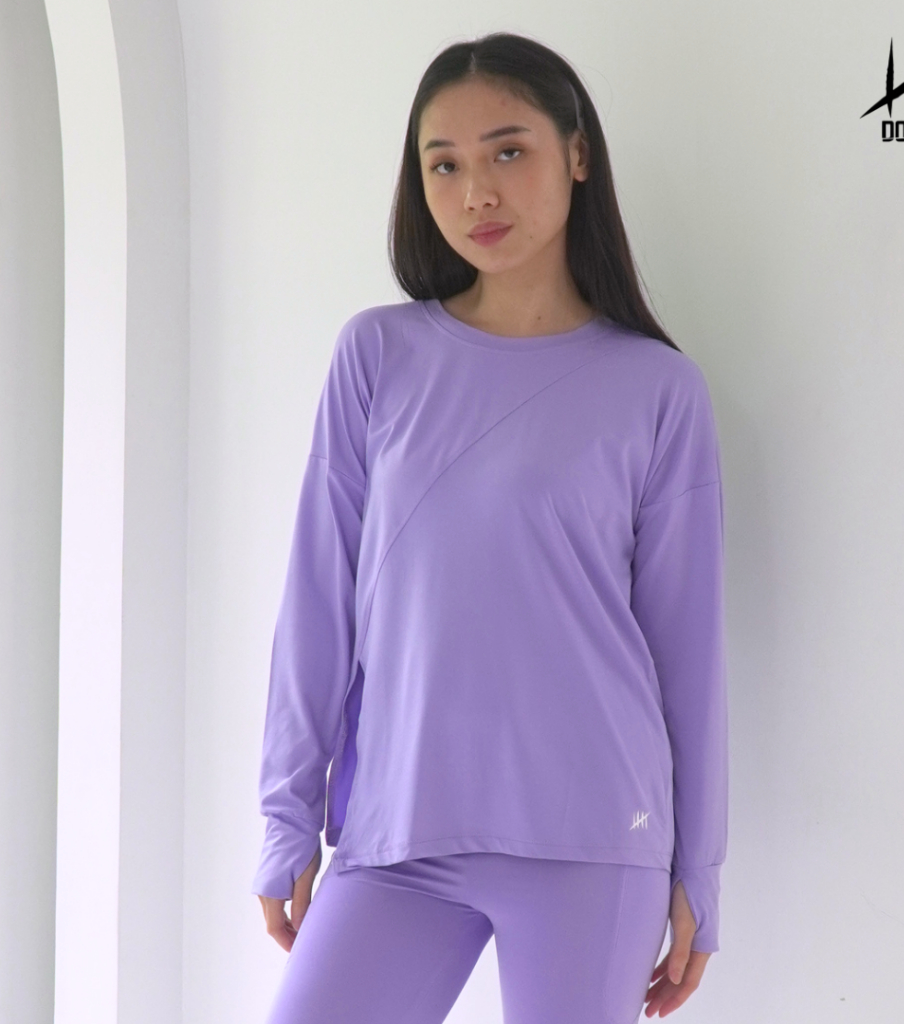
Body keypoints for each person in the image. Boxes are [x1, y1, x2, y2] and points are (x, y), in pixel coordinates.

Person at [251, 30, 728, 1024]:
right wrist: (285, 815)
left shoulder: (656, 388)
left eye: (508, 151)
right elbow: (317, 604)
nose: (477, 192)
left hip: (596, 836)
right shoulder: (376, 356)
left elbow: (686, 649)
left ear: (577, 155)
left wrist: (700, 869)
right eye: (445, 165)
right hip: (399, 834)